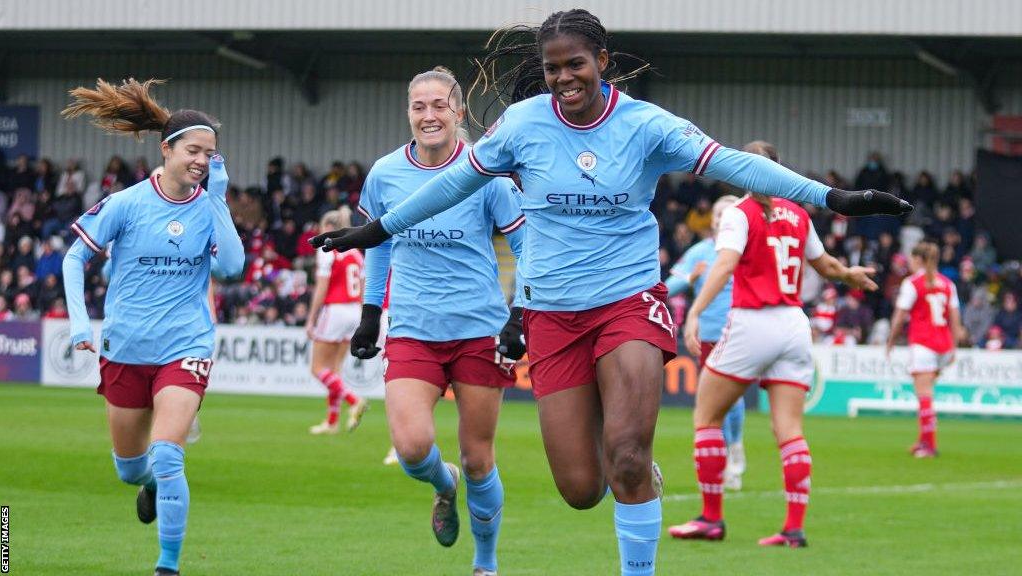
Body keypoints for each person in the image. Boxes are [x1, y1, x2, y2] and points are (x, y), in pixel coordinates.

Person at [312, 11, 909, 575]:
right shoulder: (522, 125)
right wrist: (378, 228)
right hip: (552, 315)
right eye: (553, 68)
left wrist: (834, 198)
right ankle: (629, 463)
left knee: (624, 456)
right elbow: (454, 184)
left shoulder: (646, 125)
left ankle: (635, 517)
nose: (565, 78)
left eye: (576, 64)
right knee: (579, 489)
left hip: (628, 302)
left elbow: (735, 164)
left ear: (600, 60)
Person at [61, 78, 244, 576]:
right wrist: (81, 324)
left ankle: (167, 565)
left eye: (210, 153)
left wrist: (219, 201)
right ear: (166, 150)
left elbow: (231, 267)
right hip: (125, 348)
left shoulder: (208, 208)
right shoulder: (127, 203)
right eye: (194, 150)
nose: (202, 161)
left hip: (186, 344)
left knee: (168, 456)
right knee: (131, 469)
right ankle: (147, 483)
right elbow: (74, 259)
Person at [348, 66, 524, 576]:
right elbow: (376, 246)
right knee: (411, 448)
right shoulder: (385, 174)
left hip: (478, 331)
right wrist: (369, 314)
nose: (429, 115)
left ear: (459, 113)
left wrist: (519, 313)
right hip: (413, 332)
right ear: (408, 113)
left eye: (440, 105)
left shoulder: (484, 171)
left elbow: (525, 245)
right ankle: (443, 486)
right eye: (419, 106)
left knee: (478, 458)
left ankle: (485, 563)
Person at [671, 141, 878, 548]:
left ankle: (711, 519)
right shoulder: (798, 213)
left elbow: (726, 263)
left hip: (753, 319)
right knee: (790, 429)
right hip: (793, 324)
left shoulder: (739, 213)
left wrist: (695, 311)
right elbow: (826, 266)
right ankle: (793, 528)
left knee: (707, 416)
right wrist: (850, 276)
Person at [665, 195, 748, 490]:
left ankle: (733, 447)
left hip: (738, 331)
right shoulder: (698, 252)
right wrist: (690, 277)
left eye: (726, 213)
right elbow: (667, 288)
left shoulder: (745, 251)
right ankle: (726, 458)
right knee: (715, 400)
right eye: (716, 213)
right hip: (707, 334)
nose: (719, 218)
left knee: (731, 399)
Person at [886, 241, 965, 457]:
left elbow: (900, 315)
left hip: (923, 343)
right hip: (943, 345)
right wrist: (954, 348)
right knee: (927, 390)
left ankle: (929, 445)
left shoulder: (913, 283)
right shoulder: (948, 284)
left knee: (924, 395)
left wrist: (890, 341)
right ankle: (923, 440)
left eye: (912, 259)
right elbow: (955, 318)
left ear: (918, 260)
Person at [305, 207, 369, 434]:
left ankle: (354, 400)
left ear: (329, 228)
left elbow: (322, 288)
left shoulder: (327, 250)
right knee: (335, 369)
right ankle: (332, 422)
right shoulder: (354, 252)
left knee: (318, 368)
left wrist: (311, 319)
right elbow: (362, 287)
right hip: (353, 311)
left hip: (335, 309)